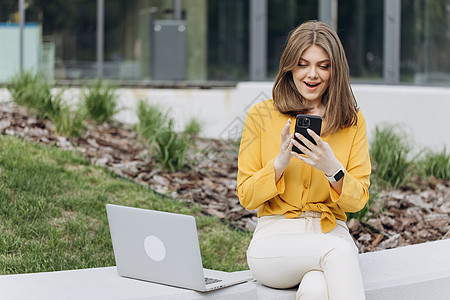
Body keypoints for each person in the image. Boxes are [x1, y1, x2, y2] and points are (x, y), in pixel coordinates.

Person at [236, 20, 370, 300]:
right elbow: (246, 196)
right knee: (340, 250)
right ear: (289, 67)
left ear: (336, 70)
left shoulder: (352, 122)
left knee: (317, 289)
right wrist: (279, 163)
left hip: (330, 231)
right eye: (303, 64)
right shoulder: (261, 115)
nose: (312, 74)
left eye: (323, 65)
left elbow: (358, 202)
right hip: (274, 239)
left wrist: (332, 169)